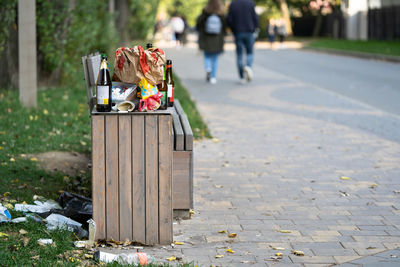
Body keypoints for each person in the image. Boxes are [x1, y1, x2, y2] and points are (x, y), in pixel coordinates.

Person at [227, 0, 258, 84]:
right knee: (250, 52)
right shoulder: (250, 3)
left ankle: (241, 77)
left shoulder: (233, 4)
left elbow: (229, 19)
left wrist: (233, 30)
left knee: (239, 54)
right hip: (249, 31)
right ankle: (248, 66)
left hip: (238, 32)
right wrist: (254, 28)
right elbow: (255, 17)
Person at [196, 0, 226, 84]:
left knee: (207, 56)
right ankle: (213, 77)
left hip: (206, 38)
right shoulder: (221, 13)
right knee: (215, 58)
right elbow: (225, 26)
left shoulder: (205, 12)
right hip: (217, 39)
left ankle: (208, 68)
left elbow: (199, 23)